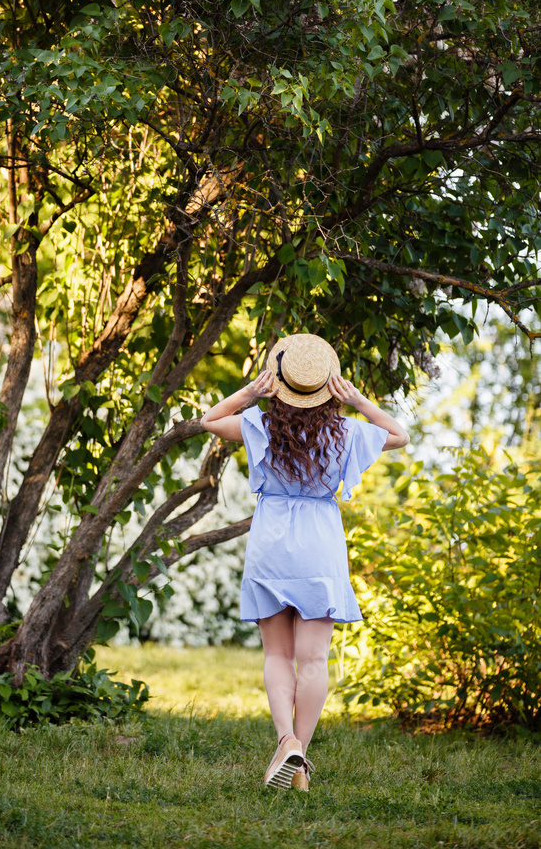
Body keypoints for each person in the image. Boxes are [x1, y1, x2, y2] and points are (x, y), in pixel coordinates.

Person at [200, 333, 410, 791]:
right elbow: (400, 435)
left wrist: (251, 392)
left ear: (282, 383)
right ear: (326, 388)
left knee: (277, 653)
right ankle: (302, 758)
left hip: (272, 541)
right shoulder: (347, 432)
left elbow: (210, 420)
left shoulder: (259, 425)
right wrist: (357, 400)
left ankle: (285, 741)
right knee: (314, 660)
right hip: (320, 544)